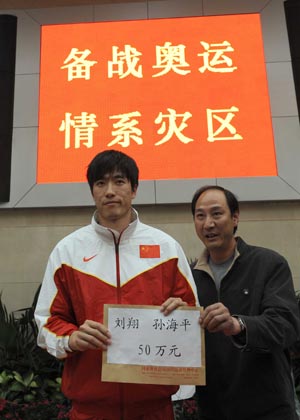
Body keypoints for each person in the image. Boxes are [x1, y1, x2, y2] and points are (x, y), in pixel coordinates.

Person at [34, 150, 198, 420]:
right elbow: (48, 321)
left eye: (119, 181)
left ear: (134, 189)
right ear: (92, 192)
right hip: (90, 409)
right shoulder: (68, 252)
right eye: (101, 183)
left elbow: (192, 314)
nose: (110, 191)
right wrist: (72, 338)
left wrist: (184, 316)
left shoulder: (167, 248)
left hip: (154, 409)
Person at [191, 185, 300, 420]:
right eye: (200, 216)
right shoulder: (190, 277)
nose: (208, 223)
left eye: (217, 213)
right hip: (214, 409)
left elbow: (286, 326)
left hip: (269, 409)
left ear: (235, 217)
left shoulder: (269, 264)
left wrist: (238, 325)